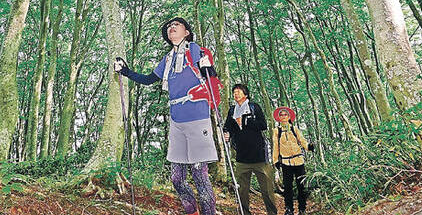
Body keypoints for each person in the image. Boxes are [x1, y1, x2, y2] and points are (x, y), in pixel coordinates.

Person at [114, 17, 218, 215]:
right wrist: (125, 71)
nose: (172, 27)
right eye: (169, 26)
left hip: (197, 117)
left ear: (187, 32)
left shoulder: (194, 48)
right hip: (176, 120)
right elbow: (148, 80)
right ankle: (192, 211)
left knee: (199, 175)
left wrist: (208, 67)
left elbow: (210, 74)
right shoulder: (168, 59)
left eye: (176, 25)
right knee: (177, 178)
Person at [222, 84, 280, 215]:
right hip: (241, 157)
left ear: (246, 94)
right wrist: (227, 133)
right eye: (234, 92)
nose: (236, 94)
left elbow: (263, 125)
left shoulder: (254, 107)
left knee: (267, 190)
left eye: (239, 91)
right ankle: (244, 212)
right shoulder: (232, 110)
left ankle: (272, 213)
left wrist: (245, 122)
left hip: (259, 157)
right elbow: (227, 127)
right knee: (242, 190)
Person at [271, 107, 309, 215]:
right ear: (278, 118)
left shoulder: (294, 129)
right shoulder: (277, 131)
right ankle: (289, 209)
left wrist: (309, 147)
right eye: (281, 115)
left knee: (301, 186)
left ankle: (302, 209)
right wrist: (275, 160)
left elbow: (302, 140)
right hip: (286, 163)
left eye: (285, 114)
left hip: (299, 161)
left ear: (289, 117)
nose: (283, 116)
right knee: (288, 187)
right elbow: (275, 146)